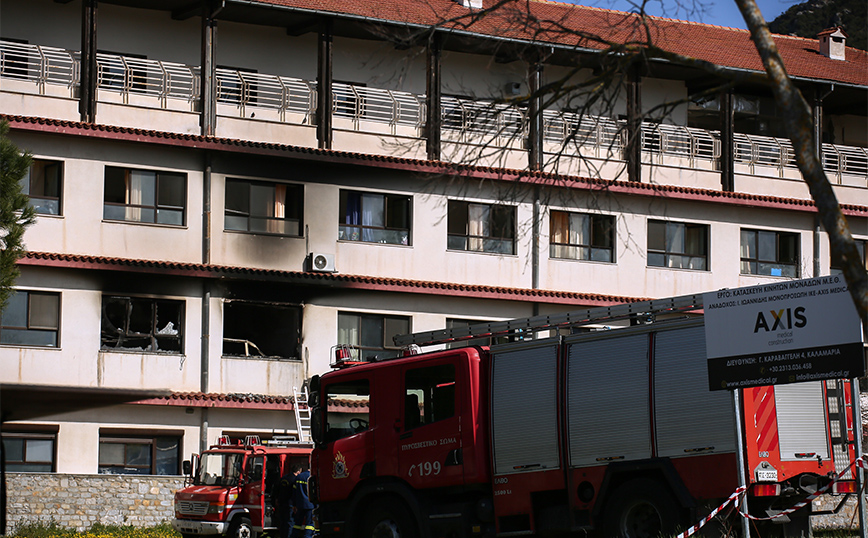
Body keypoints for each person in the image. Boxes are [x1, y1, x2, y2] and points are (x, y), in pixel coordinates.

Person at [275, 464, 302, 538]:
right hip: (289, 504)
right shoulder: (295, 480)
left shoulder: (284, 478)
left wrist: (277, 499)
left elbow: (277, 489)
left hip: (281, 503)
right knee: (290, 523)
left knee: (282, 522)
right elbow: (294, 493)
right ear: (298, 471)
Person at [291, 466, 316, 538]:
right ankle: (307, 536)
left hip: (300, 504)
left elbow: (294, 492)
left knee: (297, 523)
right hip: (310, 504)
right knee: (309, 524)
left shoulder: (299, 476)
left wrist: (294, 504)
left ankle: (293, 536)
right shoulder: (312, 476)